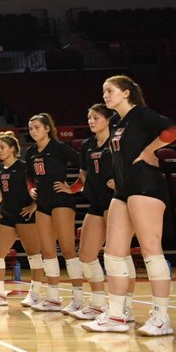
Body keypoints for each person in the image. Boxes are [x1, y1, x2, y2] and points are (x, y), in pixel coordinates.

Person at [83, 75, 176, 336]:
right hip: (123, 190)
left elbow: (174, 130)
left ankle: (161, 318)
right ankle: (116, 314)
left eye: (110, 91)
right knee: (113, 253)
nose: (105, 95)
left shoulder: (141, 114)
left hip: (146, 187)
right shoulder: (116, 122)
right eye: (104, 91)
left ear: (126, 93)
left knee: (151, 251)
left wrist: (151, 150)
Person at [25, 112, 84, 313]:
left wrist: (74, 187)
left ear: (47, 128)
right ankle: (53, 298)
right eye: (31, 128)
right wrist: (30, 189)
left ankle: (78, 298)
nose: (33, 131)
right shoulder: (30, 151)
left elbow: (84, 164)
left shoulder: (59, 148)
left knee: (68, 249)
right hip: (42, 203)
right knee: (47, 251)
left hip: (61, 201)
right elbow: (29, 177)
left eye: (37, 128)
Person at [0, 132, 46, 308]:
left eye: (2, 147)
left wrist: (34, 205)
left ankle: (35, 294)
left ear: (12, 148)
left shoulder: (25, 167)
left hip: (26, 214)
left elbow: (37, 187)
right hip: (6, 215)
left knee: (34, 255)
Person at [68, 104, 115, 319]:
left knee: (117, 256)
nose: (91, 121)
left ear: (107, 119)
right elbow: (83, 177)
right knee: (86, 256)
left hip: (117, 200)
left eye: (96, 117)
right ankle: (97, 304)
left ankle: (123, 307)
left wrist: (123, 181)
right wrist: (71, 188)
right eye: (89, 118)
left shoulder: (118, 141)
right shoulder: (86, 145)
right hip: (96, 203)